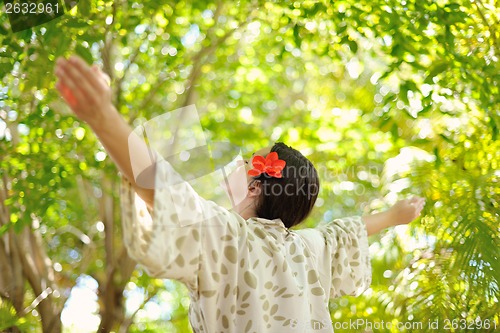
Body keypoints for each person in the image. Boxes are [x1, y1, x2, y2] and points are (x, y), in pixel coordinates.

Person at [54, 55, 425, 332]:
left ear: (253, 185)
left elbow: (160, 186)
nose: (235, 163)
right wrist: (396, 216)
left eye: (245, 162)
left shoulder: (228, 235)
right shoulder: (308, 247)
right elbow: (349, 230)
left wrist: (103, 116)